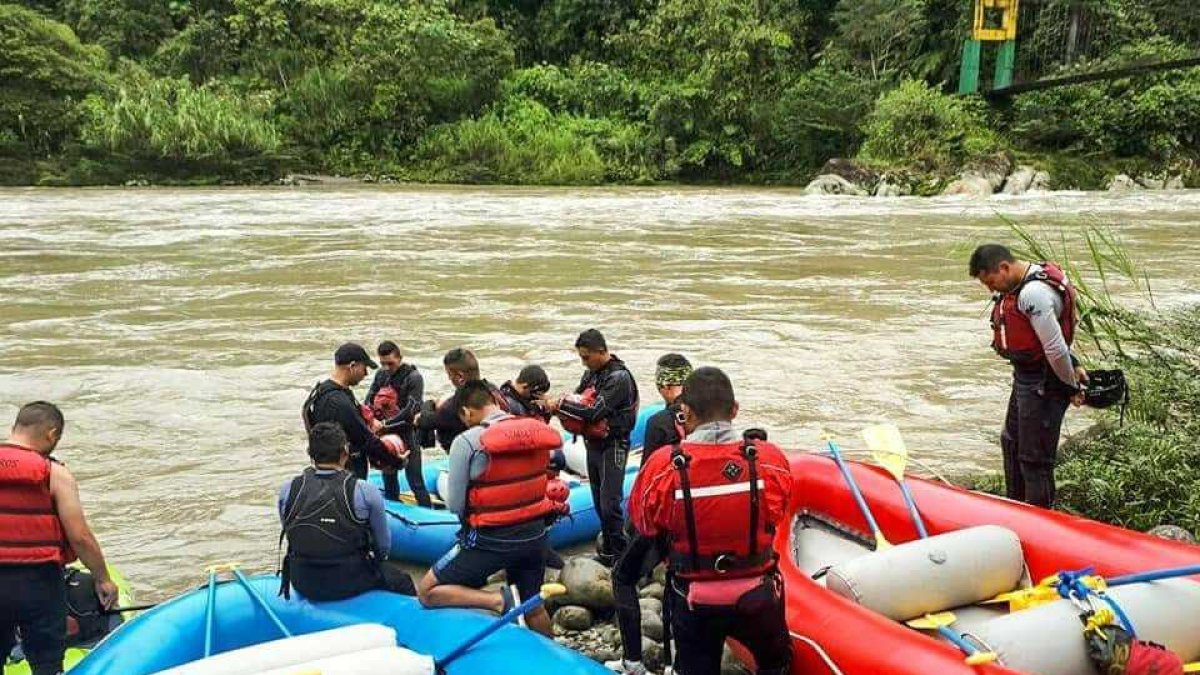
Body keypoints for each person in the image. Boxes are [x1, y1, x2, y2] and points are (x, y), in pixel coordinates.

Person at [627, 367, 793, 675]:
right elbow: (779, 511)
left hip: (694, 597)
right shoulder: (770, 459)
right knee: (776, 664)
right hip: (758, 594)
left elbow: (644, 522)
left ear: (684, 412)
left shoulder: (663, 466)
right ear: (735, 410)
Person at [417, 381, 561, 636]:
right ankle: (558, 661)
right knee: (534, 607)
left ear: (466, 412)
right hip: (535, 536)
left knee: (427, 591)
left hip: (490, 540)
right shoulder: (535, 430)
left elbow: (456, 504)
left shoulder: (467, 441)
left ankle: (498, 600)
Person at [1, 402, 118, 675]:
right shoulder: (54, 473)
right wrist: (102, 578)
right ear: (52, 434)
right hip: (37, 583)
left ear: (14, 428)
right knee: (47, 663)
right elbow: (80, 537)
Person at [970, 244, 1088, 508]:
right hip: (1027, 377)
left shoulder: (1033, 293)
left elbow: (1055, 348)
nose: (991, 290)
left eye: (990, 282)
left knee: (1034, 460)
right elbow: (1046, 337)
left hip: (1045, 382)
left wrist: (1070, 386)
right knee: (1011, 442)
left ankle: (1040, 519)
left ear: (1004, 268)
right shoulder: (1022, 282)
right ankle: (1015, 508)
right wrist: (1075, 362)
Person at [606, 353, 692, 674]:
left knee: (622, 578)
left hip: (661, 522)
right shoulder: (705, 417)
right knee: (675, 587)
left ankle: (633, 662)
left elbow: (649, 481)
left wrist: (633, 524)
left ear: (662, 384)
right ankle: (674, 664)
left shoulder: (660, 423)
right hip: (694, 521)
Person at [277, 422, 415, 601]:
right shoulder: (365, 491)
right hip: (350, 580)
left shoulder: (288, 489)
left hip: (303, 580)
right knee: (403, 581)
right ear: (345, 451)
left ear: (310, 453)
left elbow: (291, 531)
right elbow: (383, 546)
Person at [547, 329, 639, 566]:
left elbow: (593, 411)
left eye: (586, 357)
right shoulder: (592, 375)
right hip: (594, 444)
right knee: (598, 501)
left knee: (610, 504)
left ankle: (622, 555)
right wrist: (561, 406)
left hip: (614, 445)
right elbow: (579, 399)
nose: (584, 362)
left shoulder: (618, 378)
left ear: (601, 351)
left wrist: (560, 405)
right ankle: (609, 550)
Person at [302, 342, 406, 481]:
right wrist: (395, 461)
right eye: (364, 368)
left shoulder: (321, 392)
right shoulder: (339, 401)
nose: (366, 374)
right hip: (346, 476)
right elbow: (365, 439)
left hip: (328, 470)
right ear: (352, 366)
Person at [365, 340, 428, 505]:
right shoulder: (381, 375)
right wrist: (370, 420)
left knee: (415, 480)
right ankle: (393, 505)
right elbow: (369, 399)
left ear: (400, 358)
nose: (387, 368)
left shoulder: (414, 378)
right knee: (389, 476)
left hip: (407, 432)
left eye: (390, 363)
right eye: (383, 363)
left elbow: (411, 409)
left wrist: (385, 423)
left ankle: (427, 511)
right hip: (386, 434)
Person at [416, 348, 509, 452]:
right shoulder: (492, 389)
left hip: (467, 453)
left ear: (460, 377)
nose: (449, 379)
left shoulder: (455, 406)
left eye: (449, 375)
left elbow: (426, 421)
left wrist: (429, 405)